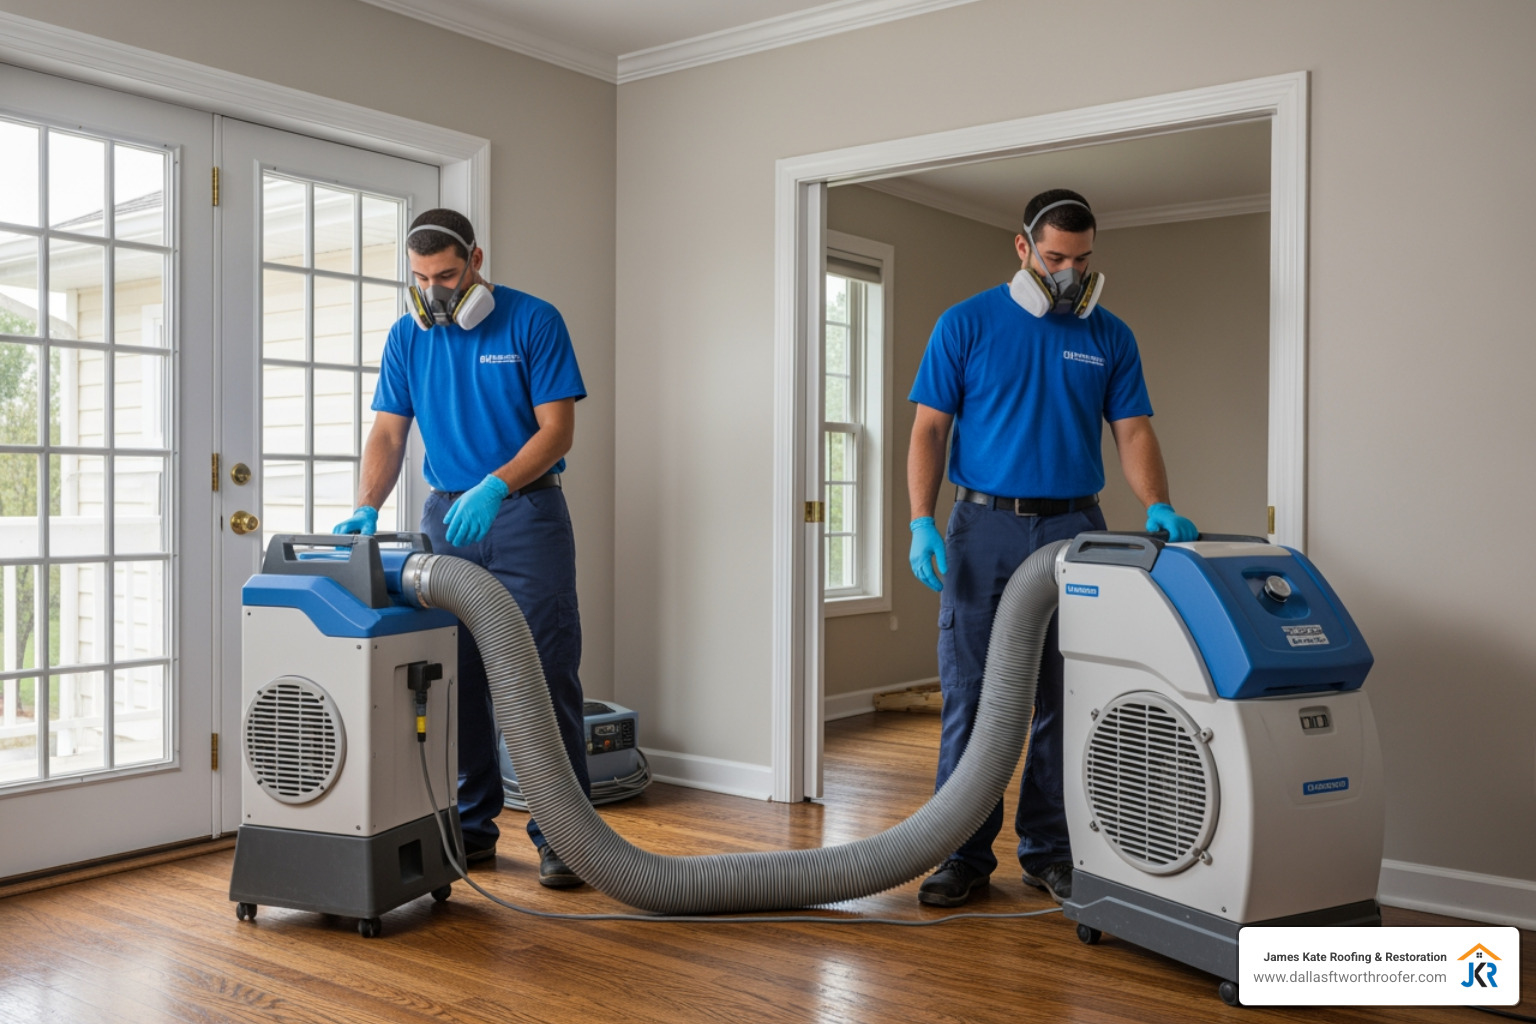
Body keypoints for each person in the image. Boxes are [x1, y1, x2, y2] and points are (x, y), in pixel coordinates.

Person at [906, 189, 1198, 908]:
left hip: (1076, 532)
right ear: (1023, 248)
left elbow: (1131, 431)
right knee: (974, 697)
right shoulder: (965, 324)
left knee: (1066, 698)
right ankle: (961, 855)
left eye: (1082, 259)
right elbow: (929, 431)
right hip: (985, 528)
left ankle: (1049, 851)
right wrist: (921, 519)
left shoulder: (1108, 335)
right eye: (1056, 257)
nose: (1068, 273)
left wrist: (1157, 502)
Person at [334, 208, 591, 889]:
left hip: (524, 512)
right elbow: (389, 435)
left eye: (447, 274)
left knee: (542, 669)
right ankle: (472, 827)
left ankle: (564, 834)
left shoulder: (535, 320)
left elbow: (557, 431)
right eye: (420, 278)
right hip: (446, 518)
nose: (436, 291)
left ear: (476, 259)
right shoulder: (407, 338)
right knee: (458, 676)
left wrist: (495, 486)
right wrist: (367, 504)